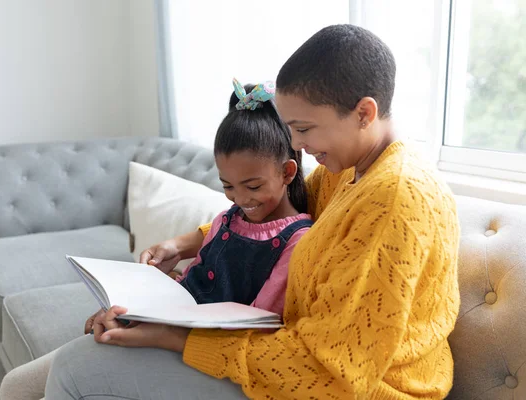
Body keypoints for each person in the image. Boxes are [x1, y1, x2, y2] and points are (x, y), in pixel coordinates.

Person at [45, 24, 460, 400]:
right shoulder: (348, 171)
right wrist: (186, 244)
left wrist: (175, 338)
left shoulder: (394, 199)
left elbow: (334, 373)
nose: (296, 142)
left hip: (361, 389)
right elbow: (270, 217)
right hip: (284, 353)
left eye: (304, 128)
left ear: (363, 113)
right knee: (80, 357)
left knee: (75, 369)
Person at [0, 79, 313, 400]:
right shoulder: (228, 218)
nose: (240, 198)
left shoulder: (297, 242)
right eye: (228, 186)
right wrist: (135, 308)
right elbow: (196, 275)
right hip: (169, 326)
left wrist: (163, 329)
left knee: (70, 370)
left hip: (203, 354)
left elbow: (261, 328)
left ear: (288, 173)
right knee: (16, 386)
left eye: (253, 186)